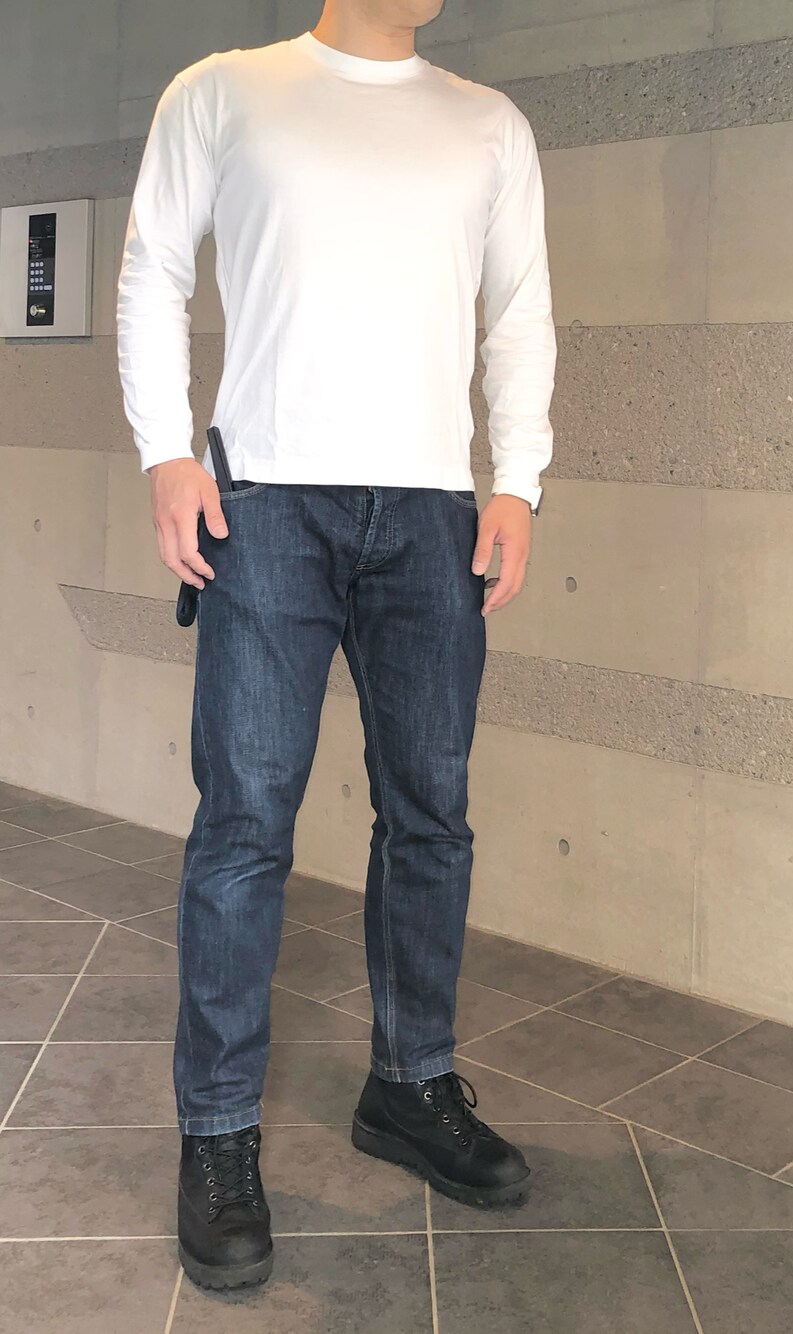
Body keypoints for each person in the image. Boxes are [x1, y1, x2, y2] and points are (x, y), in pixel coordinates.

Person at [116, 0, 556, 1292]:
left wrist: (518, 479)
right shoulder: (223, 91)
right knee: (245, 821)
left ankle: (411, 1085)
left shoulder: (490, 127)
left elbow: (519, 313)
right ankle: (216, 1133)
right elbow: (152, 270)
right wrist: (164, 450)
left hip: (430, 517)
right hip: (266, 505)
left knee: (432, 814)